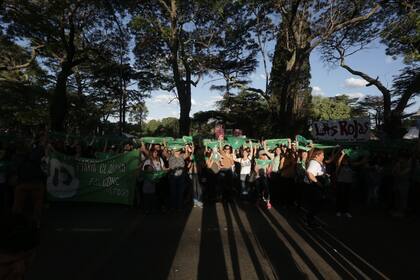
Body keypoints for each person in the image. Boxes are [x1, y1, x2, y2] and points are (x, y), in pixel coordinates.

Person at [305, 149, 328, 228]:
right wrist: (318, 183)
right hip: (315, 186)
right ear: (317, 155)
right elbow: (310, 173)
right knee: (314, 205)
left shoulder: (319, 162)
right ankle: (310, 222)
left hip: (318, 185)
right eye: (322, 155)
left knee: (317, 204)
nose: (323, 156)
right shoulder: (314, 162)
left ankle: (311, 220)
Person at [168, 147, 188, 211]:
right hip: (173, 177)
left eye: (178, 150)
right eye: (176, 150)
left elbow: (187, 155)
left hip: (181, 176)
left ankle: (179, 207)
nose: (177, 152)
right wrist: (165, 145)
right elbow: (164, 153)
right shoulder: (170, 156)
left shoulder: (182, 156)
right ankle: (173, 206)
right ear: (173, 151)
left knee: (180, 192)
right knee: (173, 192)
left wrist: (186, 148)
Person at [335, 150, 354, 218]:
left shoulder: (351, 166)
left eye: (347, 159)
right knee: (340, 197)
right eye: (345, 159)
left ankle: (346, 211)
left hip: (348, 183)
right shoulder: (340, 166)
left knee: (347, 198)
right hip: (341, 183)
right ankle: (338, 211)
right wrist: (342, 154)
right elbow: (338, 163)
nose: (346, 161)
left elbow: (359, 163)